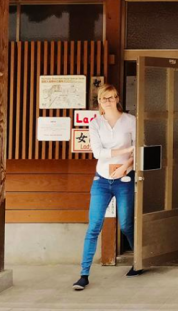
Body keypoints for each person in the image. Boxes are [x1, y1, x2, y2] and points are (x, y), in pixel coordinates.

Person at [73, 84, 140, 290]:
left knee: (126, 225)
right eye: (104, 98)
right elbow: (97, 153)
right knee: (94, 226)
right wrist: (125, 149)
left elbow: (138, 150)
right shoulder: (96, 124)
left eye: (111, 97)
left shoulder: (130, 121)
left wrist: (125, 167)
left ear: (117, 98)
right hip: (101, 180)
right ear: (99, 101)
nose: (108, 101)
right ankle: (84, 275)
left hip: (124, 179)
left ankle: (139, 261)